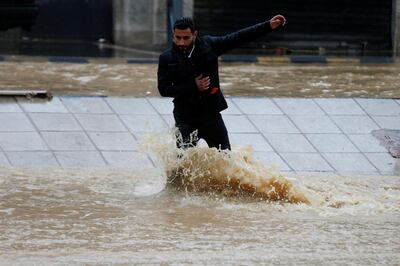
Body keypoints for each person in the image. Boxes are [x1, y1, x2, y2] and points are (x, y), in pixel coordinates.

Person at [157, 15, 286, 150]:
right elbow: (163, 89)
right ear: (173, 35)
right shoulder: (166, 58)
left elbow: (238, 37)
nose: (181, 42)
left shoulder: (209, 45)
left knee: (226, 157)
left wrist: (268, 25)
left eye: (186, 38)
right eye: (178, 38)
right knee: (182, 164)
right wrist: (193, 86)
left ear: (194, 34)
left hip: (210, 115)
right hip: (185, 118)